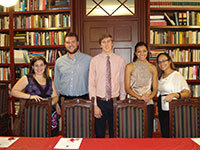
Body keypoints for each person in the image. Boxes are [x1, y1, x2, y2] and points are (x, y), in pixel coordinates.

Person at [11, 55, 60, 136]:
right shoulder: (27, 78)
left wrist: (51, 103)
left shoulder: (49, 79)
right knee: (34, 138)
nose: (39, 68)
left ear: (45, 66)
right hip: (32, 116)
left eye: (41, 65)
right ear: (32, 67)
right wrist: (30, 96)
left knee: (50, 139)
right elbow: (13, 91)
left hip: (49, 115)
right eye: (36, 65)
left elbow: (55, 96)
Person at [89, 33, 126, 138]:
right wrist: (94, 105)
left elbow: (122, 82)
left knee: (115, 134)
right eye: (103, 42)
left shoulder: (120, 60)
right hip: (99, 102)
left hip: (115, 102)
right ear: (100, 45)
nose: (106, 44)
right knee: (99, 134)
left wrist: (121, 102)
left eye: (108, 41)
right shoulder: (94, 61)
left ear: (112, 43)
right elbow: (91, 84)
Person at [125, 41, 158, 138]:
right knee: (133, 131)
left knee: (147, 132)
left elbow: (155, 88)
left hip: (148, 102)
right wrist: (139, 97)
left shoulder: (153, 68)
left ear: (148, 52)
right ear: (135, 53)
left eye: (144, 51)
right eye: (139, 51)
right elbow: (127, 88)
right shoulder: (129, 66)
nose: (141, 54)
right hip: (133, 102)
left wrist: (148, 97)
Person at [156, 53, 190, 138]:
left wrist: (175, 94)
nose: (162, 64)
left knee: (173, 133)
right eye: (159, 62)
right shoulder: (160, 76)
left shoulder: (176, 75)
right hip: (162, 108)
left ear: (170, 61)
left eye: (164, 61)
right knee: (165, 132)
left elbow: (187, 93)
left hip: (173, 108)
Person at [54, 32, 91, 100]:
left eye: (73, 42)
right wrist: (56, 102)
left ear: (77, 43)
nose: (70, 45)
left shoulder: (89, 60)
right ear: (65, 44)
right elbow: (56, 83)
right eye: (68, 42)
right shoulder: (59, 61)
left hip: (83, 99)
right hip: (63, 100)